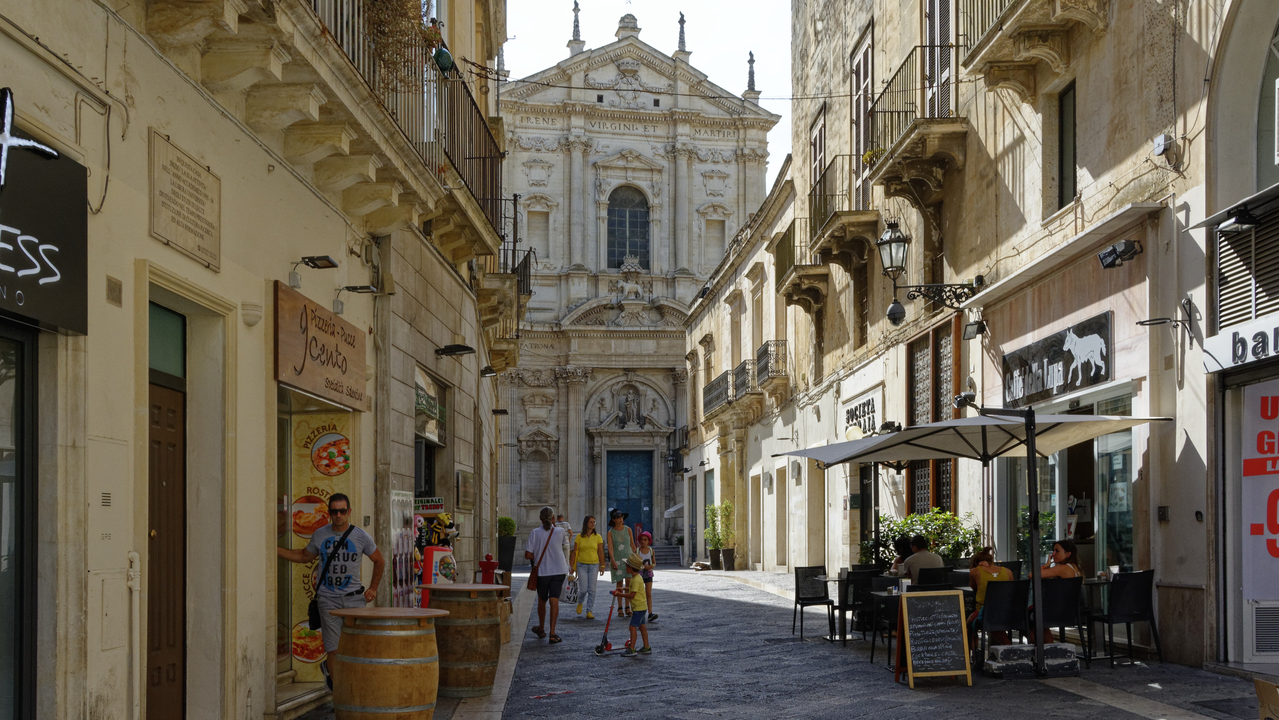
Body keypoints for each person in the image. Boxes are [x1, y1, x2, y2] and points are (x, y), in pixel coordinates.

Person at [277, 493, 385, 690]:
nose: (338, 515)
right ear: (329, 513)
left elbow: (379, 560)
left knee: (355, 647)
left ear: (349, 512)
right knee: (333, 649)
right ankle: (340, 694)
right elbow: (303, 556)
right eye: (334, 511)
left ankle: (354, 689)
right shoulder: (320, 534)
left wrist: (373, 588)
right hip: (328, 600)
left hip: (354, 600)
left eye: (342, 511)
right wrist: (275, 550)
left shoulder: (360, 536)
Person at [525, 506, 570, 643]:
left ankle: (542, 629)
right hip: (559, 570)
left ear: (540, 518)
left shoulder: (534, 533)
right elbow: (564, 545)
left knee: (542, 600)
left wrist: (538, 555)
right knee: (554, 600)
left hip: (542, 572)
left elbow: (528, 555)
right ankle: (553, 633)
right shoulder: (561, 531)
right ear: (553, 518)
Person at [1032, 539, 1083, 643]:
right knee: (1034, 617)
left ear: (1068, 554)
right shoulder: (1075, 568)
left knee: (1028, 618)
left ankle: (1046, 649)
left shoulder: (1062, 568)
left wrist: (1045, 566)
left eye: (1057, 551)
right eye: (1053, 551)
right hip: (1070, 610)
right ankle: (1049, 647)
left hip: (1057, 612)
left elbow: (1032, 575)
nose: (1053, 554)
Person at [967, 547, 1013, 648]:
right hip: (1008, 612)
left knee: (968, 622)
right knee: (993, 616)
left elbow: (973, 587)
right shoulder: (1008, 571)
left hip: (986, 612)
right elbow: (1011, 590)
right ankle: (1007, 646)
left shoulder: (975, 572)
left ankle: (973, 652)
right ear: (992, 561)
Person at [613, 553, 651, 656]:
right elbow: (633, 590)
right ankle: (646, 646)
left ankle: (632, 648)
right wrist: (623, 589)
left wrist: (620, 594)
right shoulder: (637, 578)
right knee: (642, 626)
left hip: (638, 608)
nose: (625, 568)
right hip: (642, 607)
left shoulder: (635, 580)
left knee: (632, 627)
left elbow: (632, 595)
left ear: (631, 568)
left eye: (627, 566)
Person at [569, 515, 606, 619]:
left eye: (594, 522)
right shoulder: (579, 537)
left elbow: (601, 552)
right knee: (583, 589)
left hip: (594, 565)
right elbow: (575, 552)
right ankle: (580, 602)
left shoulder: (598, 537)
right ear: (586, 523)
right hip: (581, 565)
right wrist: (572, 566)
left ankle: (589, 611)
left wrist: (602, 565)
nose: (593, 524)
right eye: (590, 522)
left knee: (592, 589)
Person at [605, 509, 635, 616]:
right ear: (614, 520)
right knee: (619, 583)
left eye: (621, 517)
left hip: (628, 559)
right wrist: (612, 561)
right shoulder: (610, 533)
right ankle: (620, 607)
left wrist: (636, 557)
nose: (621, 519)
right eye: (618, 517)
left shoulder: (628, 529)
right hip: (617, 559)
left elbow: (632, 544)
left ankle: (628, 607)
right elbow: (611, 548)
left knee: (628, 582)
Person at [635, 531, 658, 621]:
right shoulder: (637, 551)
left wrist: (651, 566)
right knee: (638, 594)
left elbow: (654, 562)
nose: (643, 541)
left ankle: (650, 613)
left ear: (648, 541)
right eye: (641, 539)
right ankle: (638, 612)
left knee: (648, 593)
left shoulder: (651, 551)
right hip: (639, 574)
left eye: (645, 540)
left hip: (648, 573)